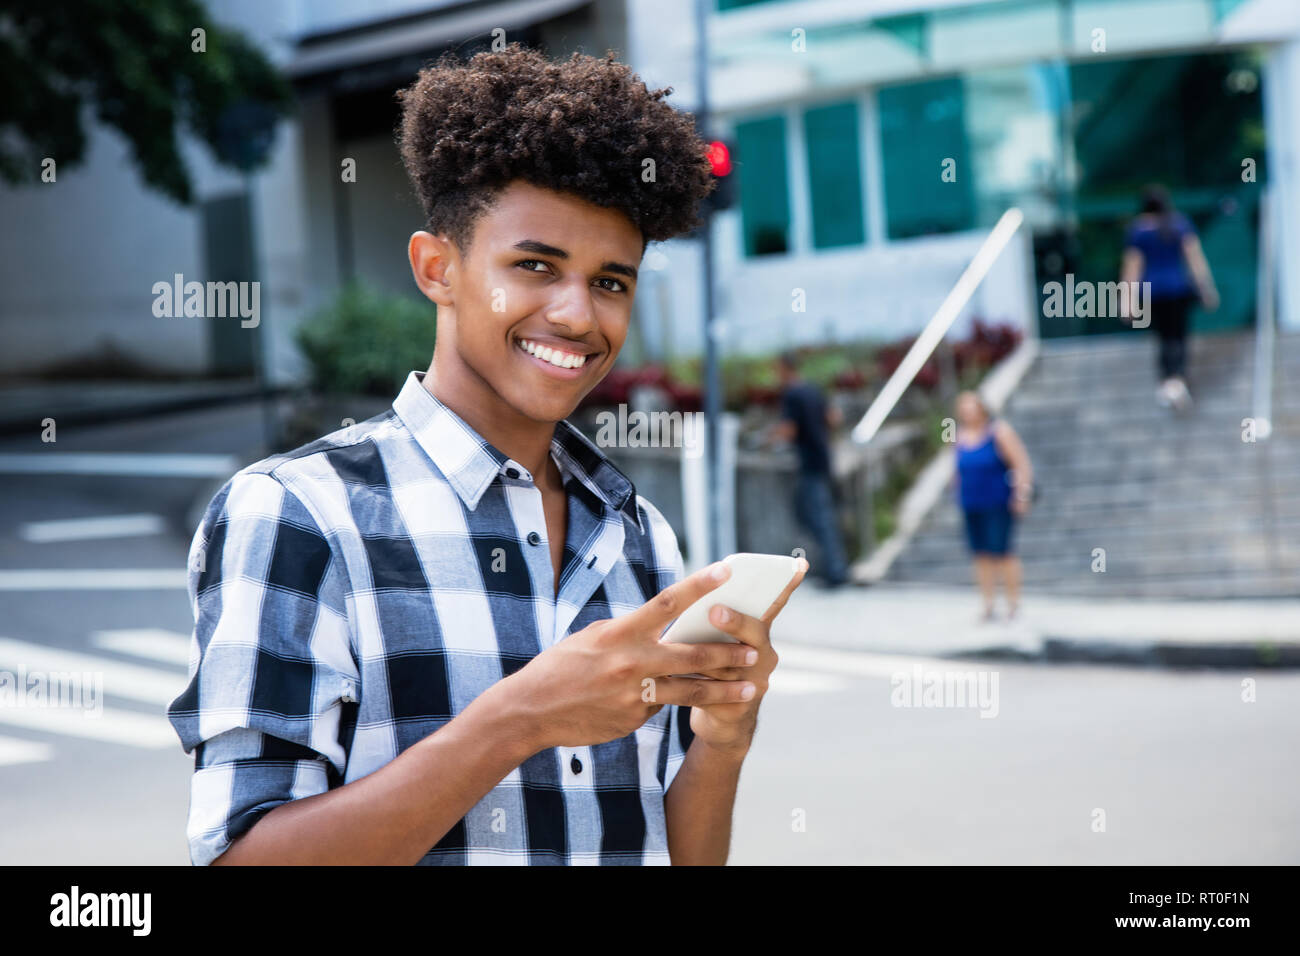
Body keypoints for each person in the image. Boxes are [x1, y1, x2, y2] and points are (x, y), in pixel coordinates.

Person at [166, 44, 807, 866]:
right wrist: (521, 719)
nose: (577, 315)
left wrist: (722, 739)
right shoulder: (297, 516)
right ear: (439, 268)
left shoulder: (640, 536)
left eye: (612, 281)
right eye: (535, 266)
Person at [1120, 184, 1219, 411]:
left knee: (1163, 336)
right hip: (1177, 288)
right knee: (1179, 335)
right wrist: (1206, 289)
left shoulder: (1139, 230)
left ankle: (1168, 380)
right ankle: (1177, 379)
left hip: (1153, 292)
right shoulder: (1179, 225)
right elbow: (1194, 259)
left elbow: (1132, 268)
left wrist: (1127, 300)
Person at [770, 352, 851, 588]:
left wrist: (769, 439)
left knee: (816, 516)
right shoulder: (813, 390)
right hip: (824, 458)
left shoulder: (792, 394)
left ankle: (836, 572)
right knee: (817, 515)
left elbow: (789, 430)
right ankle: (834, 567)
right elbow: (834, 418)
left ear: (784, 369)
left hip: (809, 463)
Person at [953, 390, 1033, 622]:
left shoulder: (999, 431)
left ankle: (1013, 603)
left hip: (997, 502)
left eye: (971, 406)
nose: (968, 412)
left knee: (1003, 552)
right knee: (980, 554)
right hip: (970, 502)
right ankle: (987, 604)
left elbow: (1021, 464)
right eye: (963, 407)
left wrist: (1022, 495)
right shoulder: (958, 435)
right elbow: (955, 465)